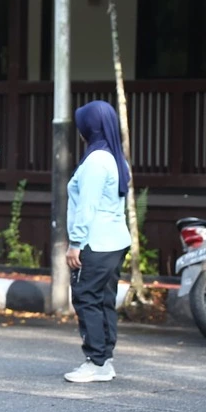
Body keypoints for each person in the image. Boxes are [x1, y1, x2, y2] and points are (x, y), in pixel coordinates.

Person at [63, 100, 132, 384]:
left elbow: (86, 207)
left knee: (87, 299)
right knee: (104, 300)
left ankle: (96, 361)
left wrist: (75, 243)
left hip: (95, 242)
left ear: (89, 129)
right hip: (115, 241)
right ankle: (105, 359)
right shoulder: (117, 158)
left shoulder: (94, 162)